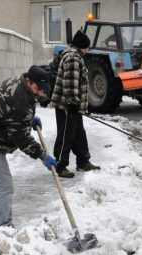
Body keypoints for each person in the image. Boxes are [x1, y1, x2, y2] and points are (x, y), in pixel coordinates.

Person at [0, 66, 57, 227]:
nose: (39, 92)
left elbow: (11, 114)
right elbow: (21, 138)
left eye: (43, 90)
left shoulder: (20, 84)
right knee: (2, 187)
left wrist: (28, 120)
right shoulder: (19, 99)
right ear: (30, 81)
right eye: (38, 88)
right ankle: (3, 229)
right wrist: (42, 156)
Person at [51, 30, 100, 178]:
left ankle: (83, 161)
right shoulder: (73, 58)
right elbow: (71, 83)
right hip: (68, 106)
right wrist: (72, 103)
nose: (87, 50)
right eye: (87, 47)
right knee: (66, 135)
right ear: (81, 47)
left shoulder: (74, 56)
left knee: (79, 133)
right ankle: (60, 165)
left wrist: (80, 106)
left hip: (74, 106)